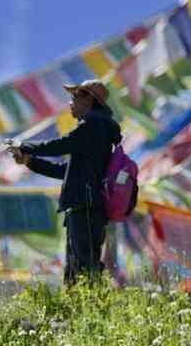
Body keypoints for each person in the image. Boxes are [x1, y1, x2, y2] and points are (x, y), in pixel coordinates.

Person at [9, 79, 121, 285]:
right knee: (75, 268)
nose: (70, 103)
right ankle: (78, 311)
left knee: (85, 266)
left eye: (74, 97)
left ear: (88, 99)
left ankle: (94, 309)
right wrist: (30, 161)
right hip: (82, 206)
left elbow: (60, 145)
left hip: (85, 205)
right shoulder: (95, 130)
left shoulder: (93, 124)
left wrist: (24, 145)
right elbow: (65, 171)